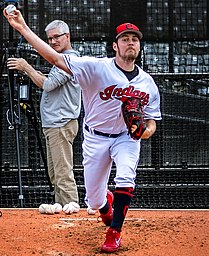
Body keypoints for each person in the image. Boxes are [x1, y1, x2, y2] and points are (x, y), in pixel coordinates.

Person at [4, 9, 162, 253]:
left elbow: (151, 121)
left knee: (126, 175)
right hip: (96, 138)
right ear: (115, 46)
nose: (130, 43)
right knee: (94, 199)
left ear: (139, 46)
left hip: (125, 138)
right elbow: (55, 59)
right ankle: (106, 207)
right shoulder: (95, 67)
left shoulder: (147, 83)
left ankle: (114, 232)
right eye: (124, 39)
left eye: (134, 39)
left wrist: (145, 132)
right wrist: (22, 29)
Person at [7, 20, 82, 215]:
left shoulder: (69, 59)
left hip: (61, 123)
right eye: (49, 39)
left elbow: (48, 85)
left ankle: (71, 208)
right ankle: (61, 207)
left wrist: (26, 68)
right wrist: (36, 73)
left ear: (67, 36)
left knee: (63, 171)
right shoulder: (61, 60)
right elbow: (50, 81)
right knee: (55, 172)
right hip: (54, 124)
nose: (53, 41)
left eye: (56, 37)